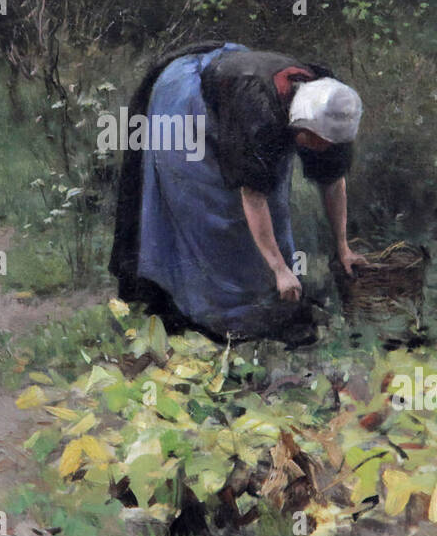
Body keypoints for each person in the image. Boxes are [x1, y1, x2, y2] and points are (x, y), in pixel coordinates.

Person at [109, 41, 368, 343]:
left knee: (276, 206)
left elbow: (333, 181)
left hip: (236, 86)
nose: (319, 150)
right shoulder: (259, 111)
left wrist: (343, 247)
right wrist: (279, 269)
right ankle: (209, 314)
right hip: (188, 100)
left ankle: (273, 300)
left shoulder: (333, 104)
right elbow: (253, 197)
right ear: (301, 126)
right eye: (314, 142)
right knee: (211, 211)